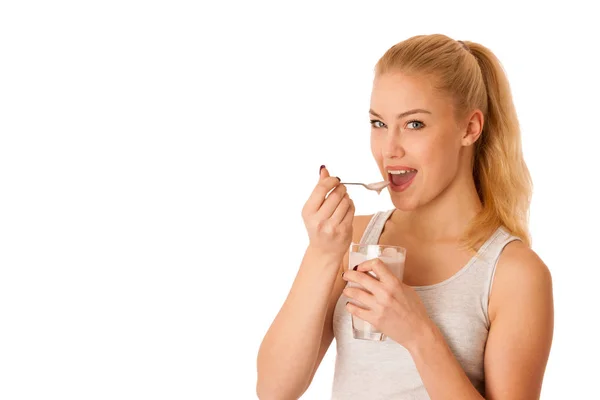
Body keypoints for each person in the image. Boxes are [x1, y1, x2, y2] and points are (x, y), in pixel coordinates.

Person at [256, 34, 554, 399]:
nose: (389, 149)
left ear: (470, 128)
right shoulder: (354, 239)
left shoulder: (514, 274)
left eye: (414, 124)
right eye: (378, 124)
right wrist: (322, 254)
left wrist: (417, 333)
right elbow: (274, 389)